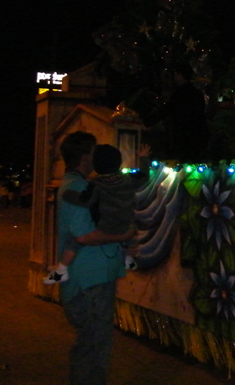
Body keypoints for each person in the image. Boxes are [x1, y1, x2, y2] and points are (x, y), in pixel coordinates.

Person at [55, 131, 137, 385]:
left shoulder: (78, 184)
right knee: (93, 343)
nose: (96, 156)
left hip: (91, 275)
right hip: (90, 278)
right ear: (84, 157)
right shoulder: (78, 187)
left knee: (92, 341)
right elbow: (84, 236)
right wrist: (124, 233)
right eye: (93, 151)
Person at [44, 143, 149, 285]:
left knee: (74, 241)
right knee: (132, 231)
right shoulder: (128, 180)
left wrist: (67, 194)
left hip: (106, 226)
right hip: (125, 223)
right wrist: (143, 158)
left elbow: (84, 200)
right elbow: (144, 176)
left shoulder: (97, 184)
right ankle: (129, 259)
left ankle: (62, 269)